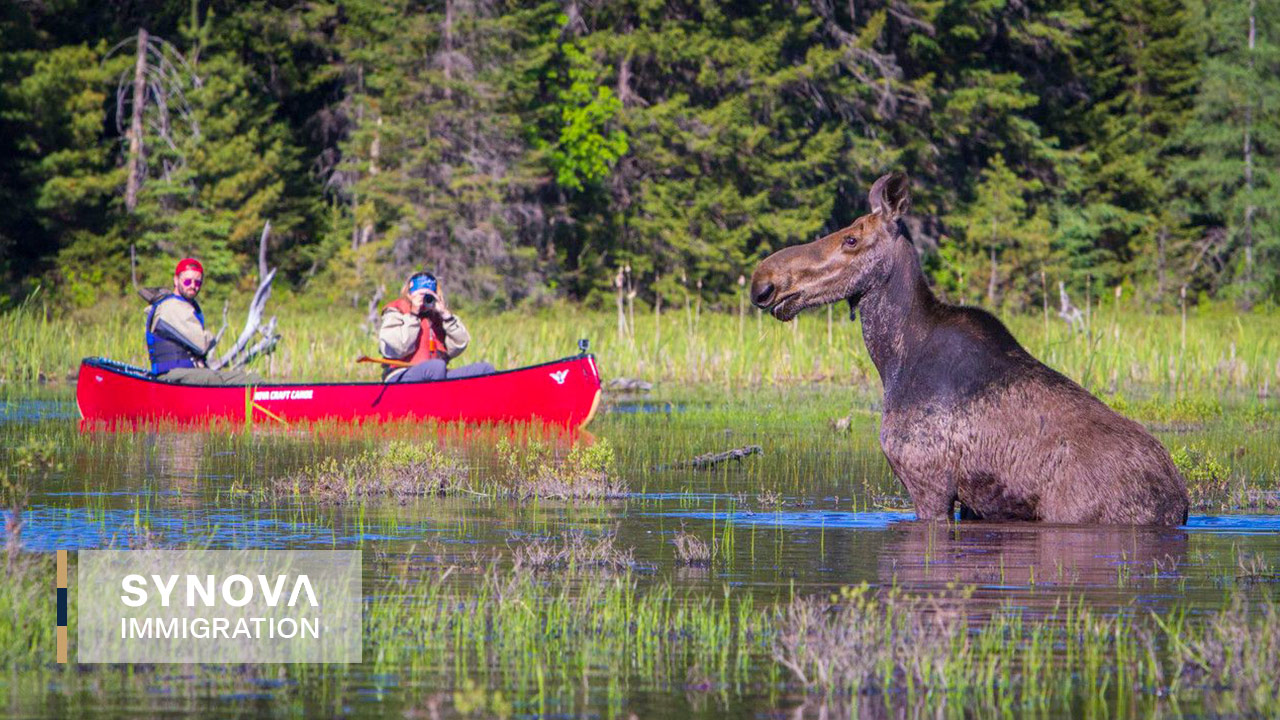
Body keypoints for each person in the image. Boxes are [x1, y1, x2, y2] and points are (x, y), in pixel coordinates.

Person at [145, 258, 262, 385]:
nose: (193, 286)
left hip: (188, 373)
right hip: (172, 375)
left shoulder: (184, 306)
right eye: (188, 281)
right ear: (176, 280)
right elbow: (201, 344)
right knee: (212, 378)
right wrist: (210, 337)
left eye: (197, 283)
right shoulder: (170, 307)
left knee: (251, 379)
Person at [379, 271, 495, 382]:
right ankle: (436, 400)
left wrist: (446, 315)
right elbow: (399, 347)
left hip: (436, 375)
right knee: (436, 367)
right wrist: (413, 314)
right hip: (401, 376)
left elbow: (459, 345)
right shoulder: (395, 312)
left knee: (484, 370)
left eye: (428, 296)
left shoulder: (436, 317)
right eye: (420, 295)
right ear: (409, 294)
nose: (423, 300)